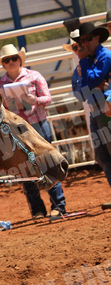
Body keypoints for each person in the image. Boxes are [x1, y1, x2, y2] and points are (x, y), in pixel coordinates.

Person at [0, 44, 67, 218]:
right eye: (7, 60)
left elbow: (47, 98)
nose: (11, 62)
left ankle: (58, 206)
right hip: (17, 129)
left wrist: (35, 100)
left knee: (47, 164)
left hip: (37, 124)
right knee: (24, 169)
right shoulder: (0, 85)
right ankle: (38, 209)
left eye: (13, 58)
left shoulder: (34, 76)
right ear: (3, 64)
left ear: (20, 60)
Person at [72, 22, 111, 209]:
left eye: (87, 39)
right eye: (81, 41)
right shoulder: (89, 60)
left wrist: (83, 62)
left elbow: (91, 81)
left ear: (97, 38)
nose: (83, 44)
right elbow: (81, 91)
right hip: (97, 110)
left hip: (107, 111)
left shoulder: (104, 56)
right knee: (102, 156)